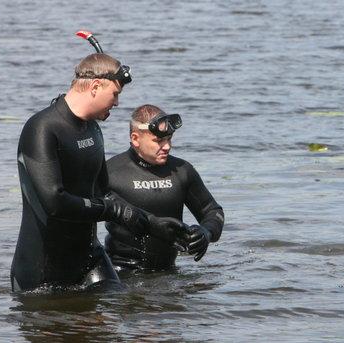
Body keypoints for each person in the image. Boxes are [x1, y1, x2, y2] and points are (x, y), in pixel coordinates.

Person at [11, 53, 187, 292]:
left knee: (124, 312)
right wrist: (113, 210)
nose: (117, 103)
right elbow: (54, 202)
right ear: (95, 86)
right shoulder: (42, 128)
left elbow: (104, 192)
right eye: (115, 94)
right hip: (43, 269)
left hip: (90, 259)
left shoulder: (93, 128)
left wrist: (153, 224)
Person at [104, 104, 224, 271]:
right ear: (135, 139)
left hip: (167, 271)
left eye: (169, 139)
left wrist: (206, 232)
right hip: (121, 273)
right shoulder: (110, 171)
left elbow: (213, 211)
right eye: (159, 140)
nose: (167, 146)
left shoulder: (182, 170)